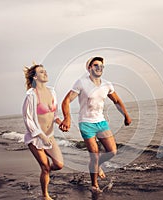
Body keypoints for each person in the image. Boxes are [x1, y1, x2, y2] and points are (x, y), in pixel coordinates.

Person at [59, 57, 131, 193]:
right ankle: (94, 185)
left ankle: (98, 166)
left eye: (101, 66)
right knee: (94, 155)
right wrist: (67, 118)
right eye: (96, 65)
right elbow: (66, 101)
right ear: (89, 68)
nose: (99, 68)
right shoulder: (81, 83)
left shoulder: (107, 85)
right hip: (86, 123)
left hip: (101, 122)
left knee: (112, 152)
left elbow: (116, 100)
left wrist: (126, 115)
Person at [22, 64, 64, 200]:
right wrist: (41, 136)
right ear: (35, 76)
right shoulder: (31, 96)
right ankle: (45, 195)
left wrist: (60, 123)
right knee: (45, 166)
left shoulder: (52, 92)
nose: (45, 73)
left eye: (45, 71)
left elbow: (54, 114)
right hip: (35, 138)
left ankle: (44, 173)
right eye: (41, 72)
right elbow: (28, 120)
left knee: (59, 165)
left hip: (50, 136)